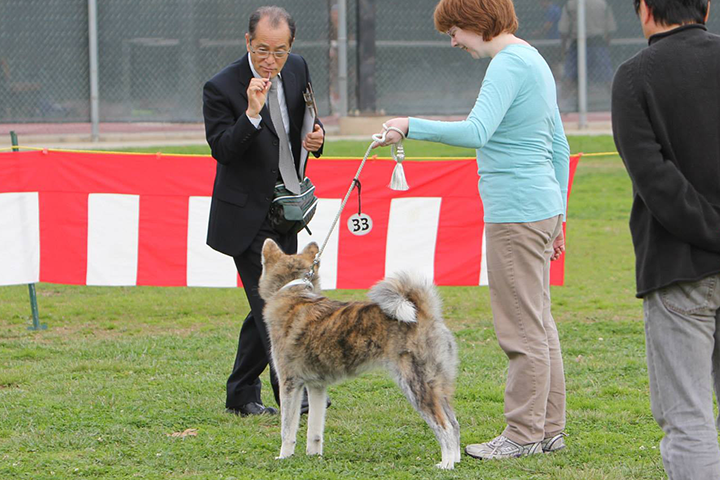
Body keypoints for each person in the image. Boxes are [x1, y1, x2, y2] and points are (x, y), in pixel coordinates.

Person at [375, 0, 570, 460]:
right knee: (541, 325)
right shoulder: (534, 59)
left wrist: (409, 125)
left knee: (521, 329)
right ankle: (549, 431)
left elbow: (476, 132)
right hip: (540, 209)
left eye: (454, 30)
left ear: (475, 23)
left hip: (515, 213)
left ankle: (522, 435)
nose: (453, 41)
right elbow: (559, 146)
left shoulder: (507, 64)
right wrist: (559, 215)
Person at [611, 1, 720, 478]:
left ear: (646, 11)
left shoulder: (634, 77)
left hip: (678, 265)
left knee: (688, 418)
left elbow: (655, 181)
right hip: (682, 262)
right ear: (707, 11)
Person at [202, 5, 325, 417]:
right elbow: (222, 149)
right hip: (244, 216)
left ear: (291, 47)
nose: (270, 61)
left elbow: (304, 122)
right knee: (277, 306)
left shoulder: (298, 68)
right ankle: (294, 396)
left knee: (267, 301)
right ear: (247, 42)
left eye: (279, 51)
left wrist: (317, 139)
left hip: (285, 211)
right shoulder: (220, 87)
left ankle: (240, 392)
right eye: (261, 51)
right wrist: (251, 113)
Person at [558, 0, 616, 106]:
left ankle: (560, 105)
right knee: (608, 78)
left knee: (569, 78)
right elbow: (609, 28)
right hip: (598, 43)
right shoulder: (602, 3)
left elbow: (564, 29)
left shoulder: (571, 4)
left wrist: (564, 49)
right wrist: (606, 45)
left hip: (577, 43)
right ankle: (618, 101)